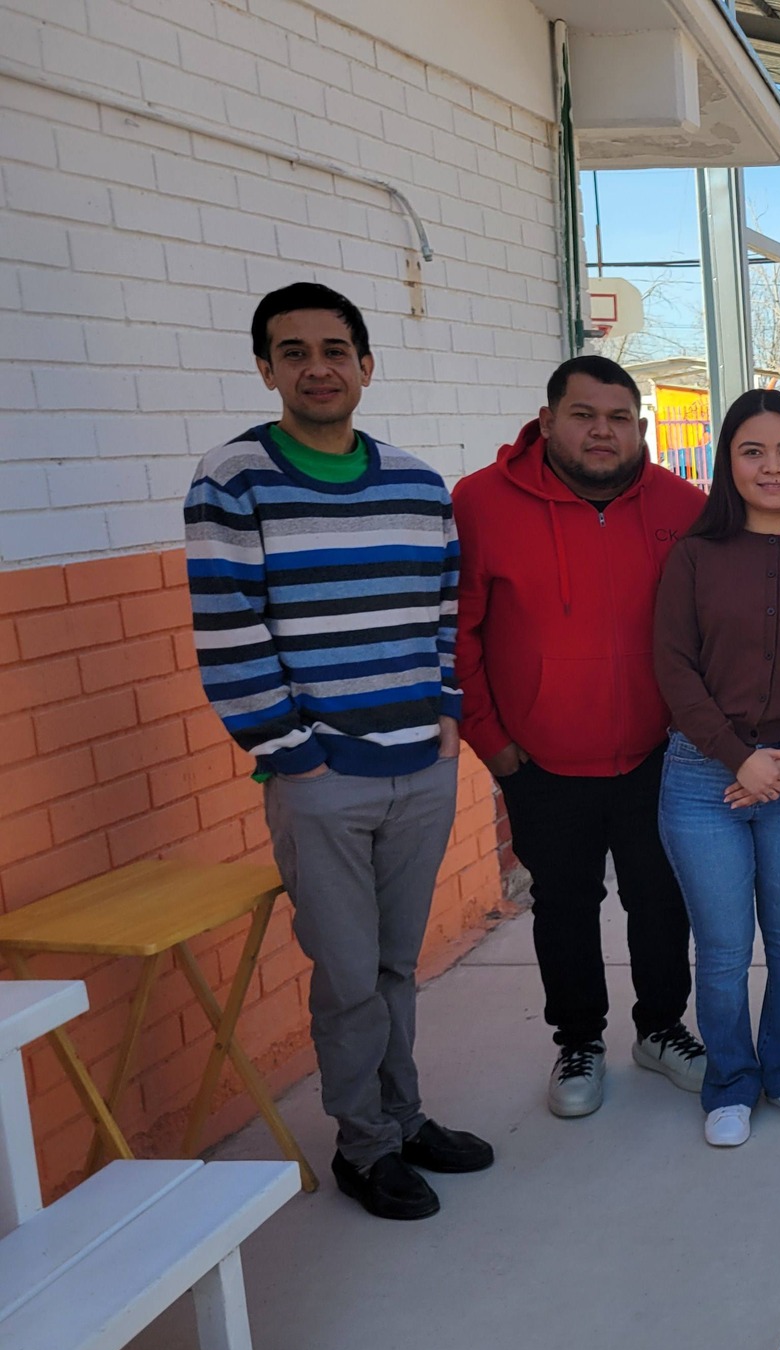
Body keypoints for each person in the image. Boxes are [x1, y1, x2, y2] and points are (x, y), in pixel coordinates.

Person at [184, 283, 492, 1221]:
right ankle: (364, 1145)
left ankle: (404, 1118)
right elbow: (229, 633)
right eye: (294, 352)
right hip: (320, 778)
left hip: (419, 765)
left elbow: (443, 613)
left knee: (396, 965)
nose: (316, 368)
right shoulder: (234, 481)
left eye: (334, 350)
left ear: (366, 364)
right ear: (266, 369)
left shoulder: (417, 486)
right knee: (350, 975)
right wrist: (292, 753)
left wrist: (447, 714)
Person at [454, 356, 707, 1121]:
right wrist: (491, 741)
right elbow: (458, 634)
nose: (603, 431)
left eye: (619, 417)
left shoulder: (682, 505)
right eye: (584, 415)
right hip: (541, 761)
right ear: (548, 420)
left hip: (654, 753)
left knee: (661, 898)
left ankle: (661, 1028)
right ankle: (579, 1040)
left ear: (640, 427)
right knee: (563, 905)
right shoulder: (481, 503)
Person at [652, 390, 780, 1148]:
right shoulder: (694, 556)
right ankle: (731, 1082)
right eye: (753, 451)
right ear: (727, 463)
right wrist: (740, 757)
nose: (772, 467)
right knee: (726, 947)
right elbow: (673, 667)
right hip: (702, 779)